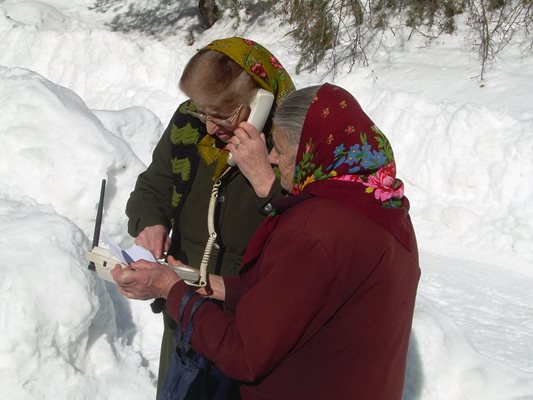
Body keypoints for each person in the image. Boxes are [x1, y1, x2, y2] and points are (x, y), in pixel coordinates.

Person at [115, 83, 420, 399]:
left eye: (283, 149)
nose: (272, 157)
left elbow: (242, 352)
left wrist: (169, 289)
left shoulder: (316, 229)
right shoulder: (382, 206)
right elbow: (298, 298)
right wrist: (212, 285)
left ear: (313, 151)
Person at [124, 36, 295, 396]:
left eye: (222, 116)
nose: (209, 128)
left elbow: (307, 228)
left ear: (260, 102)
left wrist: (264, 176)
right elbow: (154, 186)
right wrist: (151, 221)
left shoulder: (287, 144)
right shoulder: (191, 123)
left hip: (245, 322)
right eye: (203, 112)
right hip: (183, 307)